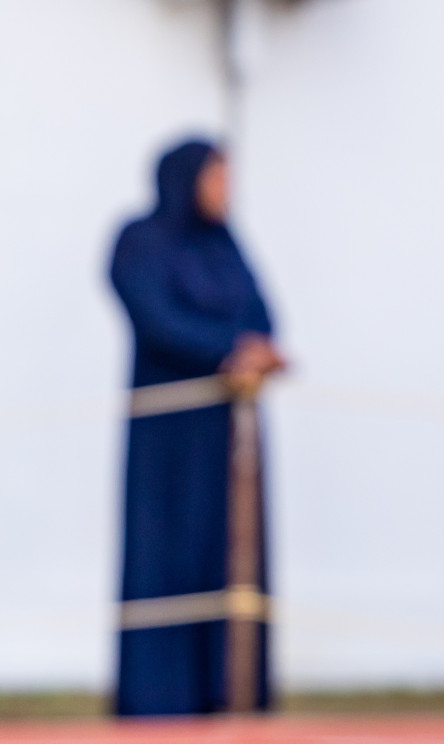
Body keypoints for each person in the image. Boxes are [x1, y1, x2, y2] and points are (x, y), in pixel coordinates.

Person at [108, 139, 285, 715]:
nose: (224, 191)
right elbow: (156, 317)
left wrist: (256, 351)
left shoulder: (225, 242)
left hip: (228, 432)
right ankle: (159, 700)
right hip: (168, 434)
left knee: (230, 555)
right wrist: (226, 350)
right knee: (167, 557)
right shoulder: (141, 240)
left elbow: (261, 310)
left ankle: (229, 691)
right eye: (215, 178)